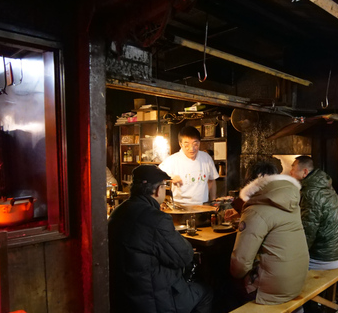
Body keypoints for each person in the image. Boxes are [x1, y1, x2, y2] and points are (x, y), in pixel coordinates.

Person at [108, 165, 213, 313]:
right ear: (158, 190)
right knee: (205, 292)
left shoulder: (118, 212)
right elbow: (184, 256)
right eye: (165, 186)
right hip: (154, 301)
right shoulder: (157, 219)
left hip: (123, 296)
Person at [230, 161, 309, 305]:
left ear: (251, 182)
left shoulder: (256, 209)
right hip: (297, 280)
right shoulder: (290, 200)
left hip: (273, 290)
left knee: (228, 285)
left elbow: (240, 265)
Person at [290, 155, 338, 270]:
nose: (290, 171)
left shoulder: (311, 192)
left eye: (293, 167)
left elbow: (307, 232)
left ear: (305, 172)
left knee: (284, 265)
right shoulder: (322, 185)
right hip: (336, 253)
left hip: (324, 258)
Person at [159, 126, 219, 205]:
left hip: (203, 206)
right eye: (187, 145)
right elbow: (155, 175)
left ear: (199, 142)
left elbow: (211, 180)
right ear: (180, 144)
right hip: (180, 207)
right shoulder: (173, 160)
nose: (192, 149)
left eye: (195, 144)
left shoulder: (206, 158)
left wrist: (213, 201)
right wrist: (170, 177)